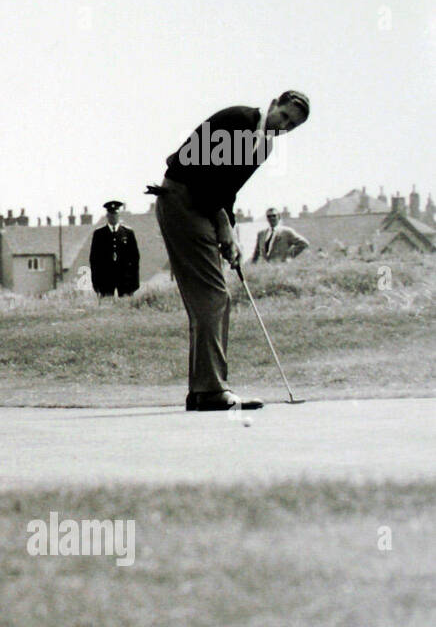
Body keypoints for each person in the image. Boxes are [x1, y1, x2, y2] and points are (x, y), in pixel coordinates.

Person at [148, 90, 310, 411]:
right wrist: (222, 224)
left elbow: (227, 191)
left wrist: (230, 235)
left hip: (201, 206)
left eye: (292, 125)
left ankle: (203, 390)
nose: (285, 125)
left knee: (213, 297)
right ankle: (210, 390)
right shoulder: (239, 120)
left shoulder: (263, 146)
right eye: (284, 116)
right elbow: (202, 174)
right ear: (273, 104)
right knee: (213, 296)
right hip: (182, 198)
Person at [88, 200, 140, 297]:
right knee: (106, 307)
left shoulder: (128, 233)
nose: (113, 217)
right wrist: (96, 283)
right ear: (107, 216)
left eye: (115, 214)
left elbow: (135, 258)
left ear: (119, 215)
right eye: (111, 214)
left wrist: (134, 283)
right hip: (105, 279)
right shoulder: (99, 234)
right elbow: (94, 260)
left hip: (125, 279)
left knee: (126, 307)